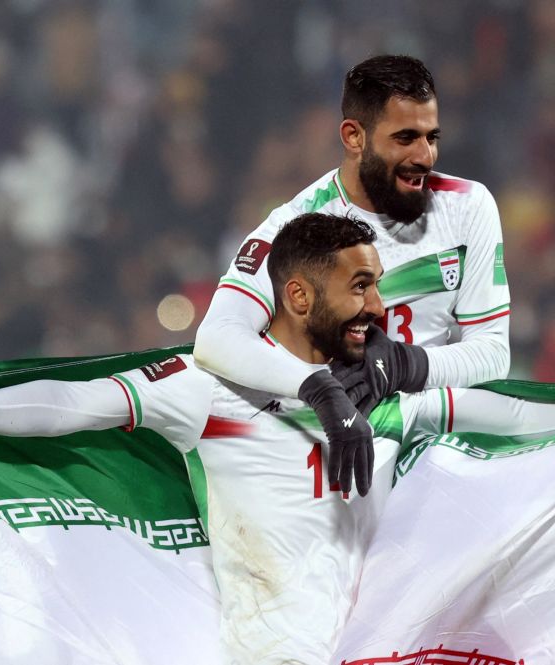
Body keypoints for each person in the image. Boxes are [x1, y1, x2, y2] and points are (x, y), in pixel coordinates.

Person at [0, 213, 555, 665]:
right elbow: (74, 405)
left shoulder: (387, 401)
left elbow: (516, 417)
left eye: (379, 288)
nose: (378, 308)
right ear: (300, 298)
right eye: (360, 288)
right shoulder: (207, 391)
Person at [194, 54, 512, 496]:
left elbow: (493, 354)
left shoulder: (467, 206)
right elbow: (216, 338)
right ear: (353, 136)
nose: (425, 156)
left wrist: (402, 365)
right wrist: (317, 388)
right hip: (331, 466)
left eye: (431, 137)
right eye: (405, 138)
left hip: (432, 463)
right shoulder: (295, 227)